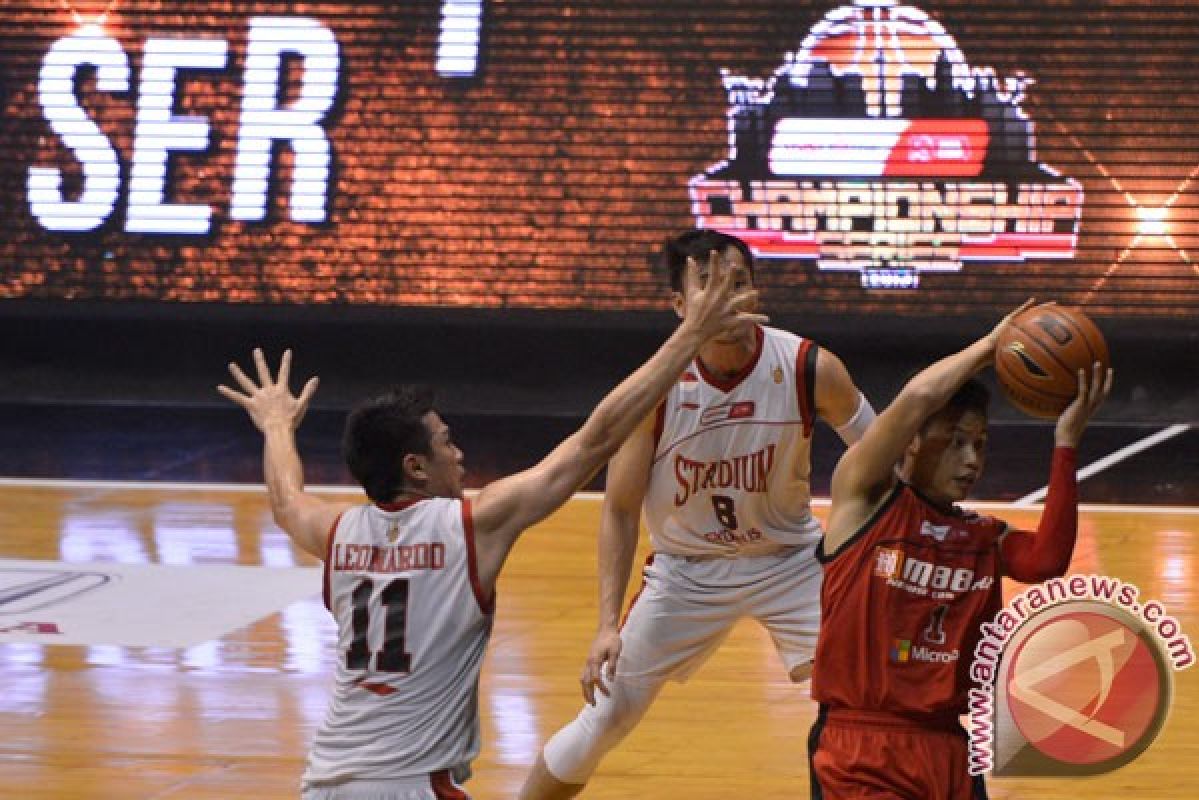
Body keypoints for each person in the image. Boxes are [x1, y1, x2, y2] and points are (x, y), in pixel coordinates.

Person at [216, 252, 762, 800]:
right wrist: (690, 336)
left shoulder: (338, 534)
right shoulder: (470, 527)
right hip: (415, 787)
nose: (458, 455)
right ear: (416, 467)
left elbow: (287, 501)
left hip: (323, 784)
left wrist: (276, 426)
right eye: (446, 443)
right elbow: (594, 440)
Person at [520, 229, 875, 800]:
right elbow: (618, 510)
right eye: (708, 285)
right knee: (605, 719)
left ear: (756, 293)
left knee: (866, 699)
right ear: (681, 306)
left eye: (738, 283)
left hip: (789, 562)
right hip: (686, 571)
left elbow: (881, 455)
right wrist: (606, 624)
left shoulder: (810, 366)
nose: (726, 299)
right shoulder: (655, 391)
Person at [807, 302, 1112, 799]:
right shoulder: (865, 498)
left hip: (948, 747)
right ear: (910, 442)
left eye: (980, 444)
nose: (972, 460)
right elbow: (917, 398)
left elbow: (1047, 559)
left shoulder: (981, 536)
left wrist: (1066, 443)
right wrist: (992, 347)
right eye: (955, 442)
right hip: (861, 748)